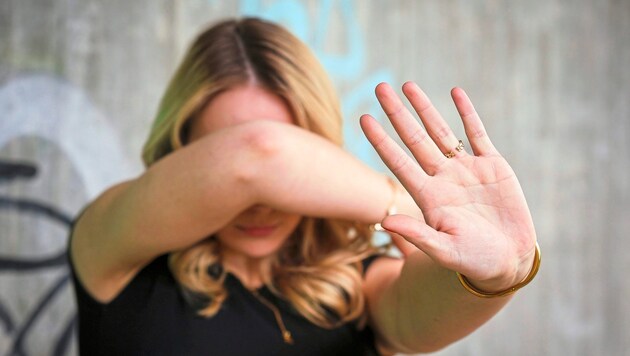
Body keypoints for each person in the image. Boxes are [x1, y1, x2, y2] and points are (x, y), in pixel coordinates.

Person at [69, 17, 539, 356]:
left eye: (296, 159)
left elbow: (420, 321)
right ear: (182, 147)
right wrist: (400, 202)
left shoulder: (356, 282)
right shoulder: (114, 247)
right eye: (219, 153)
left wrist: (496, 274)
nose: (258, 204)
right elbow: (259, 153)